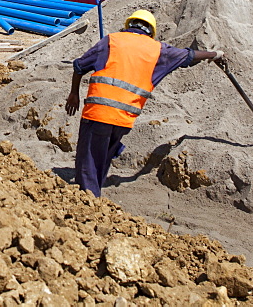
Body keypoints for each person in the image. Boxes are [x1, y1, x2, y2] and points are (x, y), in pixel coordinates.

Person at [64, 10, 226, 198]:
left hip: (98, 113)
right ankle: (94, 196)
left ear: (129, 25)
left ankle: (88, 201)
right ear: (151, 31)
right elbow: (189, 56)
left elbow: (79, 66)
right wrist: (215, 54)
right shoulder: (159, 50)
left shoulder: (111, 40)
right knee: (104, 158)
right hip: (124, 119)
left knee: (89, 162)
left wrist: (74, 93)